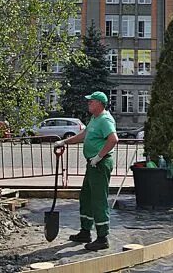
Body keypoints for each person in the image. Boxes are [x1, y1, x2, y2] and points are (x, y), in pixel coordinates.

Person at [54, 91, 118, 251]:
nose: (88, 103)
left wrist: (98, 157)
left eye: (91, 101)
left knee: (98, 199)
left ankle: (102, 237)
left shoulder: (105, 119)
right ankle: (85, 231)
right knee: (86, 196)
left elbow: (113, 139)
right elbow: (84, 135)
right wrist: (64, 142)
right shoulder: (95, 119)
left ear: (99, 103)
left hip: (100, 164)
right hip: (93, 164)